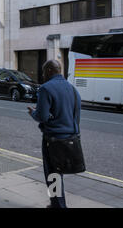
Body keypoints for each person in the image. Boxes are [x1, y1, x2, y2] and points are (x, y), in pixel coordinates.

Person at [27, 60, 81, 208]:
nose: (43, 75)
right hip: (70, 138)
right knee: (59, 173)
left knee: (52, 174)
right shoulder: (72, 89)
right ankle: (57, 204)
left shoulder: (46, 88)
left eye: (44, 71)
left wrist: (33, 113)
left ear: (50, 70)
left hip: (53, 140)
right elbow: (76, 116)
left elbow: (42, 116)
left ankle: (57, 205)